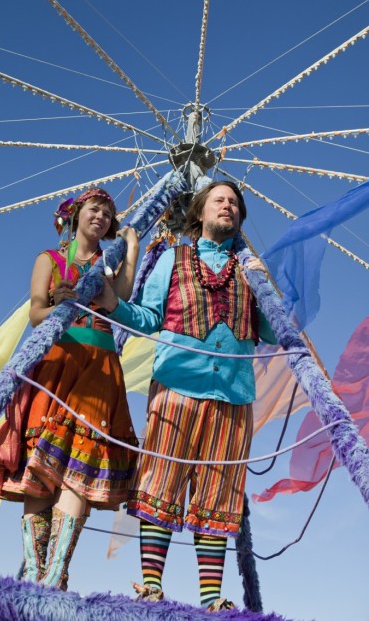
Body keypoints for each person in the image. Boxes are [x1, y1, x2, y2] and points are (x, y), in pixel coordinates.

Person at [95, 181, 277, 612]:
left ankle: (212, 598)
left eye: (234, 203)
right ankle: (151, 585)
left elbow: (270, 332)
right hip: (176, 388)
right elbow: (148, 316)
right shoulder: (174, 260)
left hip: (233, 397)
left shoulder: (250, 270)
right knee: (160, 483)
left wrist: (271, 291)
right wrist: (111, 303)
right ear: (199, 213)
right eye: (219, 200)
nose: (228, 206)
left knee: (219, 496)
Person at [0, 187, 140, 591]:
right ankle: (41, 579)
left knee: (79, 469)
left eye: (108, 215)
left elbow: (123, 298)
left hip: (100, 368)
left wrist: (131, 248)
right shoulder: (51, 260)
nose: (102, 218)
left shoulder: (108, 264)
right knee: (40, 469)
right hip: (57, 365)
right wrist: (61, 303)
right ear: (76, 216)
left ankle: (56, 574)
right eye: (95, 210)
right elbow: (36, 313)